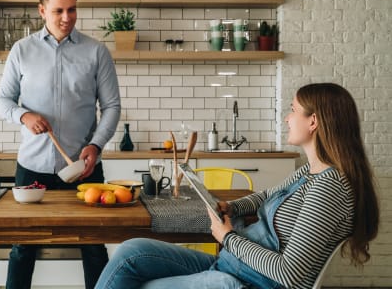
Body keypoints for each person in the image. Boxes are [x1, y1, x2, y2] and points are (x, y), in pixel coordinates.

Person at [95, 83, 379, 289]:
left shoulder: (329, 187)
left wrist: (227, 237)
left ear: (313, 121)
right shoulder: (312, 171)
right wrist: (232, 206)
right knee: (131, 252)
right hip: (236, 266)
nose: (287, 118)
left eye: (293, 111)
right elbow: (268, 195)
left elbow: (290, 273)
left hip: (246, 281)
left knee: (137, 283)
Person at [0, 0, 121, 287]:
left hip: (84, 168)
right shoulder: (22, 50)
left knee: (93, 247)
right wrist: (23, 115)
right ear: (42, 11)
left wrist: (96, 145)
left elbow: (112, 107)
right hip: (33, 168)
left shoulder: (96, 52)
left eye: (72, 9)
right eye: (58, 10)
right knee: (23, 247)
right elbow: (3, 101)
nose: (67, 17)